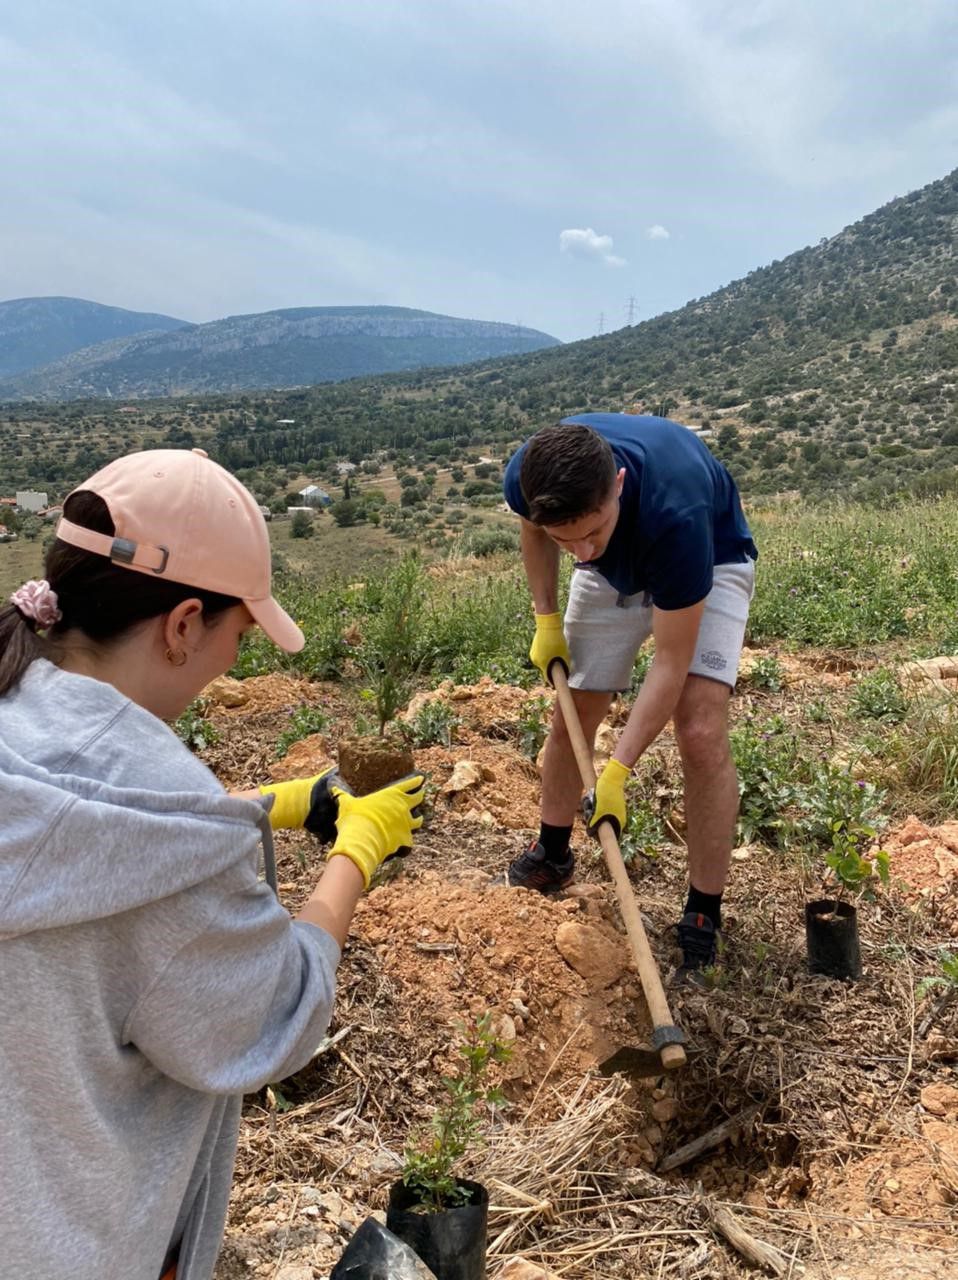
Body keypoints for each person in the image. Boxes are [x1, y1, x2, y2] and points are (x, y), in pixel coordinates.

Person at [0, 448, 424, 1280]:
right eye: (239, 633)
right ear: (183, 623)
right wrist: (355, 855)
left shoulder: (15, 690)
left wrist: (263, 806)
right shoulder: (181, 842)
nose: (236, 657)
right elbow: (274, 1016)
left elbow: (92, 830)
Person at [502, 413, 757, 983]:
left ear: (617, 484)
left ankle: (702, 911)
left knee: (698, 730)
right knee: (574, 708)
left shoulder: (678, 509)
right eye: (566, 539)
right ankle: (553, 853)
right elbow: (535, 531)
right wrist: (547, 618)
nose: (581, 549)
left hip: (706, 561)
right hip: (616, 570)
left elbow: (669, 662)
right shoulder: (533, 478)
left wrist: (617, 771)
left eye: (592, 530)